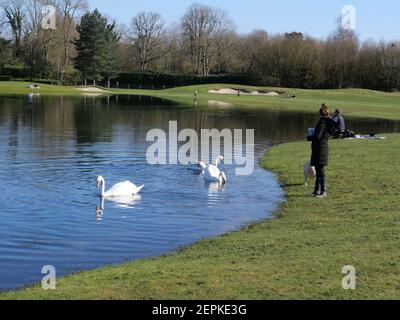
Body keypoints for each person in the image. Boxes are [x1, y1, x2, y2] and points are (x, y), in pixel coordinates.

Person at [310, 103, 335, 198]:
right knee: (318, 168)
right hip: (323, 147)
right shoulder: (329, 121)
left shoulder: (322, 122)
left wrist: (310, 136)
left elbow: (318, 136)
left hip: (320, 148)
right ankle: (316, 190)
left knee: (320, 170)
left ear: (320, 114)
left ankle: (323, 191)